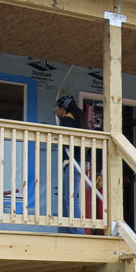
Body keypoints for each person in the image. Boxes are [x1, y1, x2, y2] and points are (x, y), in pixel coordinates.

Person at [55, 95, 85, 234]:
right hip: (77, 162)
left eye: (56, 108)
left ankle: (77, 232)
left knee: (70, 198)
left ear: (62, 109)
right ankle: (67, 230)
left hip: (74, 162)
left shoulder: (67, 119)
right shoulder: (76, 119)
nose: (55, 111)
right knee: (68, 197)